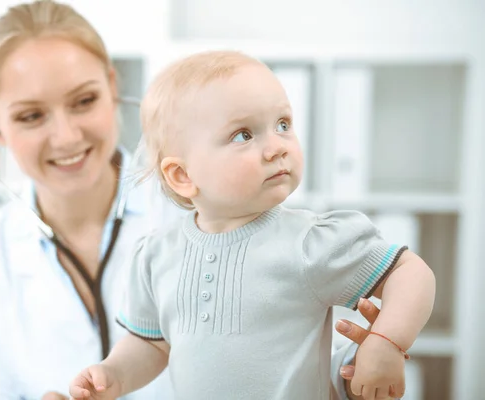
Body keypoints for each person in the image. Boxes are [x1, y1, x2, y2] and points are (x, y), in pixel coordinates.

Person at [0, 1, 398, 399]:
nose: (66, 136)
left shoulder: (234, 202)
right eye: (31, 115)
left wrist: (358, 364)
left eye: (84, 101)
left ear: (112, 86)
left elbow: (289, 339)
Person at [69, 50, 436, 400]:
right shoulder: (156, 255)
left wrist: (387, 341)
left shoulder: (308, 243)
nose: (277, 146)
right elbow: (151, 344)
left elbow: (411, 272)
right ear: (182, 175)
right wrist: (113, 376)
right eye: (244, 134)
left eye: (283, 124)